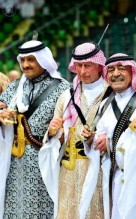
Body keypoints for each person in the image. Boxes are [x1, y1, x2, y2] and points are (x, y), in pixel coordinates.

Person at [83, 53, 136, 219]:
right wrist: (94, 140)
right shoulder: (105, 105)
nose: (115, 74)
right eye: (111, 70)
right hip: (118, 177)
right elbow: (103, 138)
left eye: (122, 69)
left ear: (132, 72)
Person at [0, 39, 70, 218]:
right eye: (22, 60)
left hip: (45, 163)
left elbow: (70, 127)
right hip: (13, 163)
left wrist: (59, 132)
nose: (25, 65)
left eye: (31, 60)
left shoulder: (63, 89)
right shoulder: (14, 88)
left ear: (43, 60)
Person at [39, 42, 109, 219]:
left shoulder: (111, 94)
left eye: (88, 66)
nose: (83, 71)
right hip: (68, 171)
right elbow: (58, 141)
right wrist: (54, 132)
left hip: (98, 170)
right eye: (79, 66)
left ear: (99, 66)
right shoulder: (67, 96)